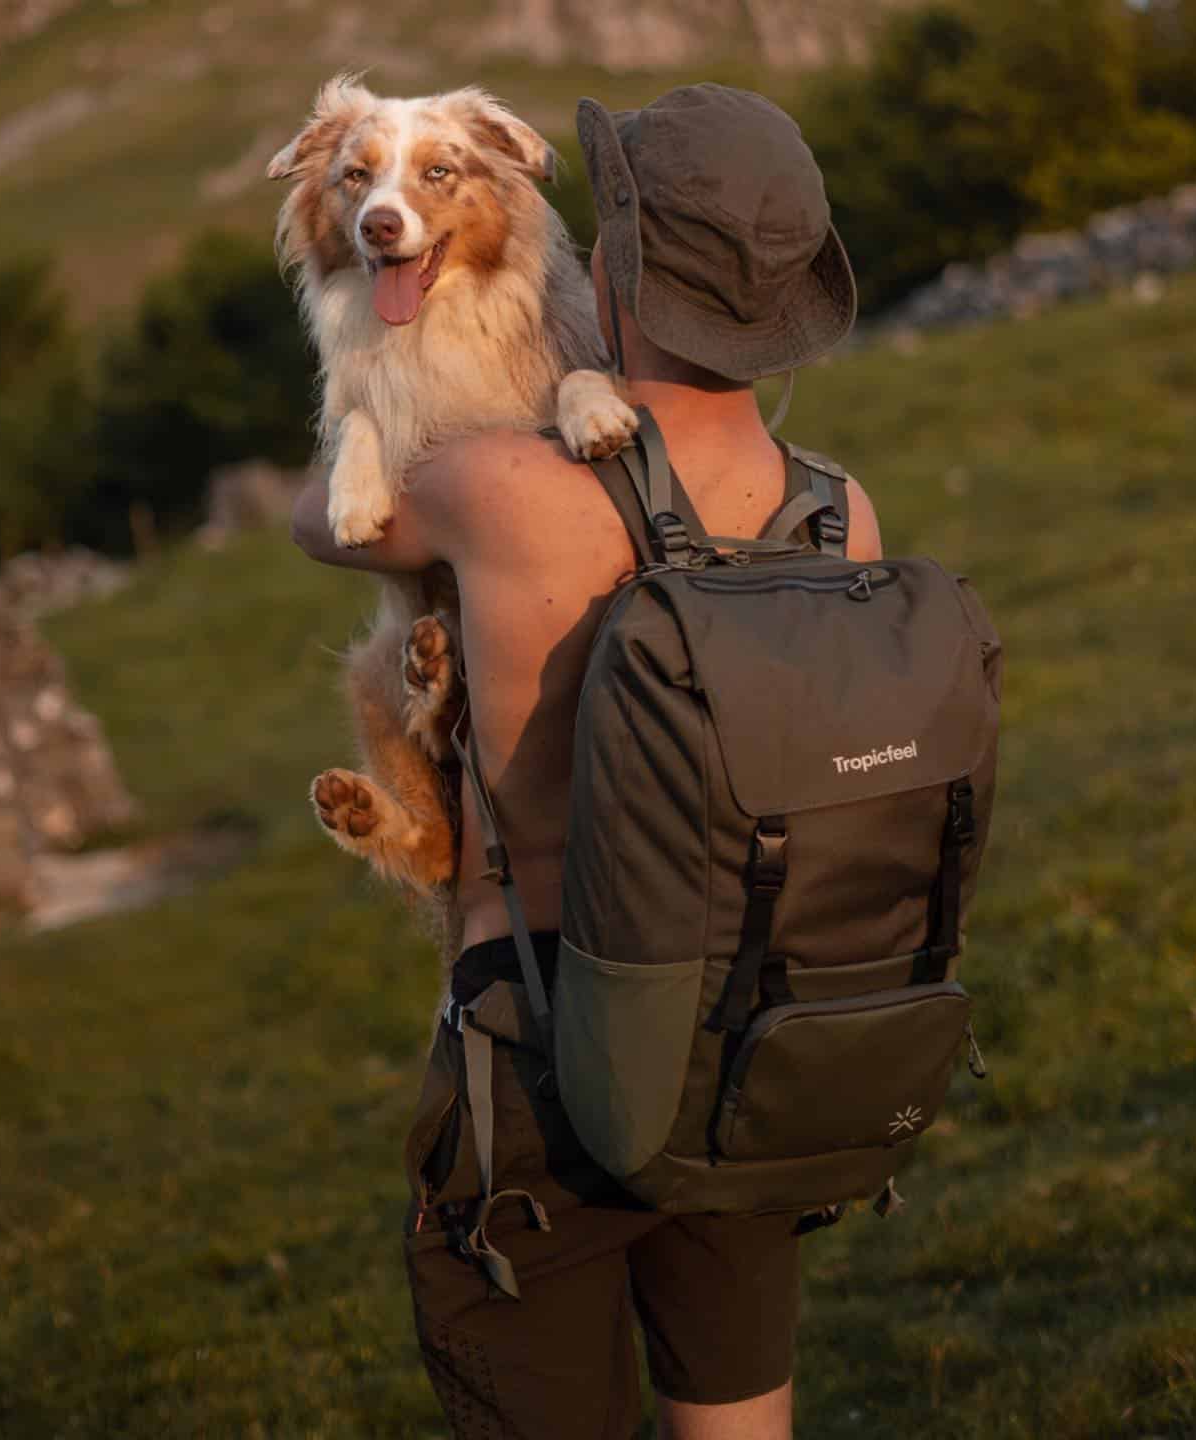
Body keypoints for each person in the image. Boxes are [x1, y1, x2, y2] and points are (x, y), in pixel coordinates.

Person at [292, 84, 882, 1440]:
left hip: (541, 1051)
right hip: (751, 1040)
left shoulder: (496, 492)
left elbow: (316, 517)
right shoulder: (841, 511)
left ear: (611, 264)